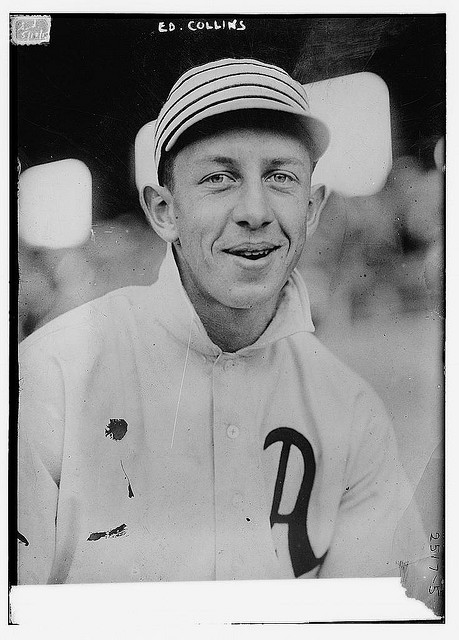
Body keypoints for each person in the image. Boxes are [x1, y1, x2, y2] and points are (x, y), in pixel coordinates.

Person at [17, 58, 427, 584]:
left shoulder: (351, 413)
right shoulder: (52, 376)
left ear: (313, 207)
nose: (254, 210)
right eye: (219, 177)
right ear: (164, 211)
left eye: (280, 176)